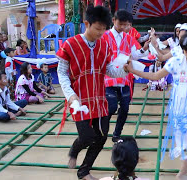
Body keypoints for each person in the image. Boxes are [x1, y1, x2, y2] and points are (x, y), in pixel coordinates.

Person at [125, 31, 187, 180]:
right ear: (182, 50)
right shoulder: (176, 61)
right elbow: (155, 76)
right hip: (181, 112)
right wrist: (133, 70)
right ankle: (181, 174)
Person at [57, 5, 129, 180]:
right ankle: (74, 150)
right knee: (87, 137)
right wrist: (70, 94)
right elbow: (62, 72)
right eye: (97, 28)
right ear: (86, 24)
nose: (101, 33)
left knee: (102, 137)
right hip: (79, 101)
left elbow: (109, 70)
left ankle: (84, 171)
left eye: (104, 29)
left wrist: (125, 69)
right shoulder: (70, 44)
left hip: (99, 99)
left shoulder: (104, 44)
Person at [102, 9, 149, 143]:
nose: (123, 27)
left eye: (126, 25)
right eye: (121, 24)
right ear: (113, 21)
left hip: (124, 79)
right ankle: (101, 132)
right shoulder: (104, 37)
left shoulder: (128, 38)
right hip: (109, 79)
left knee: (125, 109)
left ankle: (116, 135)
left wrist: (144, 49)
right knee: (110, 107)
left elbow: (134, 54)